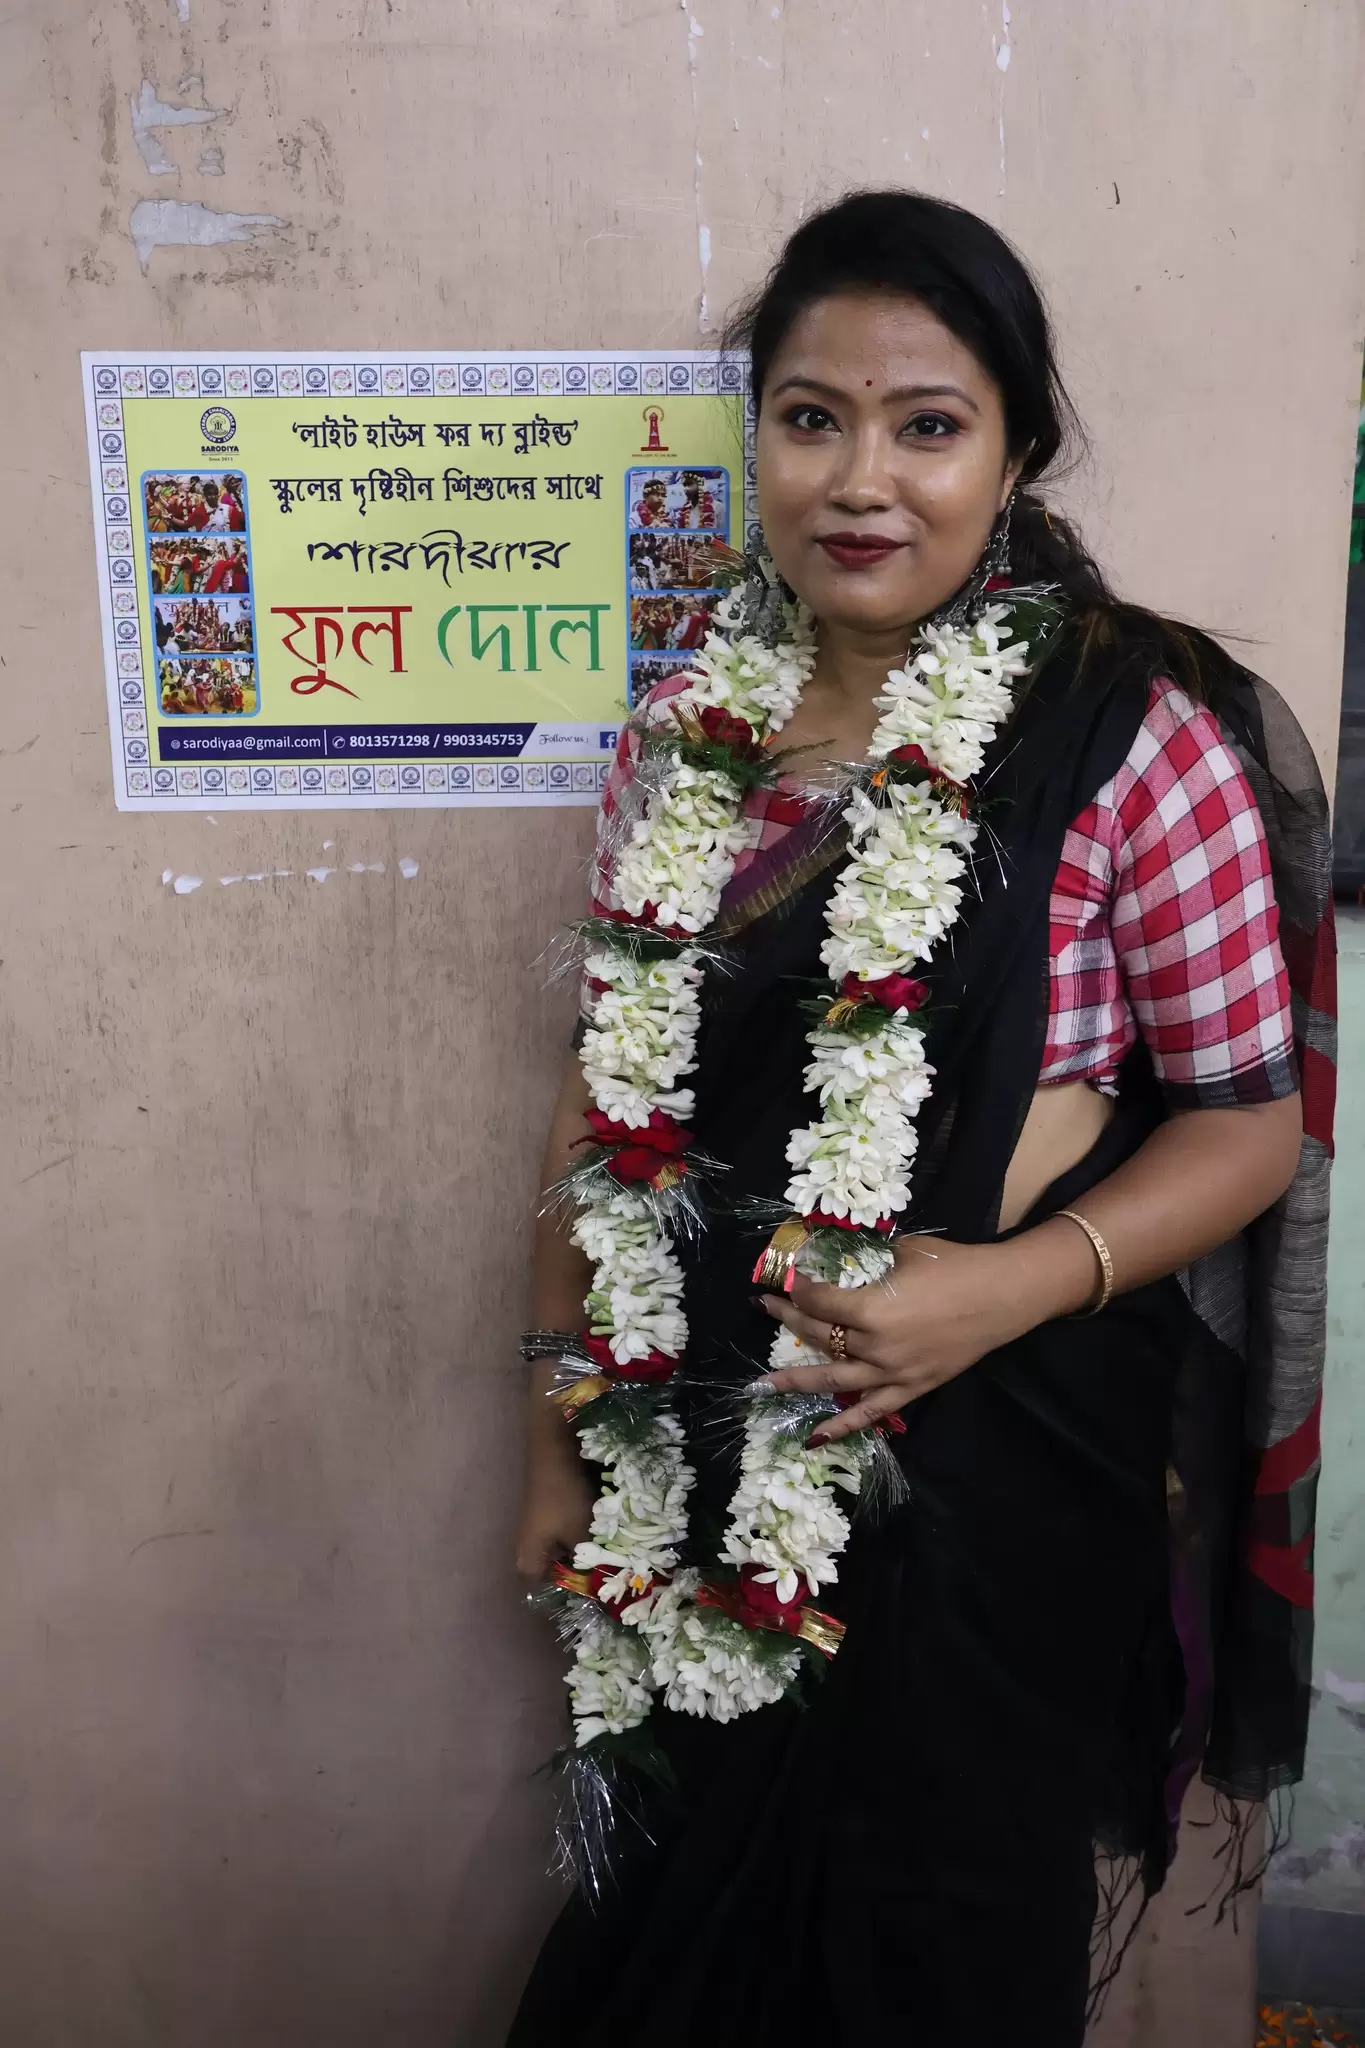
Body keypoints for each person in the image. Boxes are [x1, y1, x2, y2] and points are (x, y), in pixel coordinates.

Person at [509, 191, 1335, 2048]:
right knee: (672, 1968)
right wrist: (559, 1437)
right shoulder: (686, 738)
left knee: (936, 1964)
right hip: (699, 1467)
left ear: (1016, 452)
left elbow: (1247, 1129)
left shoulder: (1135, 738)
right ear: (760, 441)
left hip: (999, 1500)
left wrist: (996, 1293)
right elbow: (601, 1102)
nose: (861, 480)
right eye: (812, 418)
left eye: (928, 424)